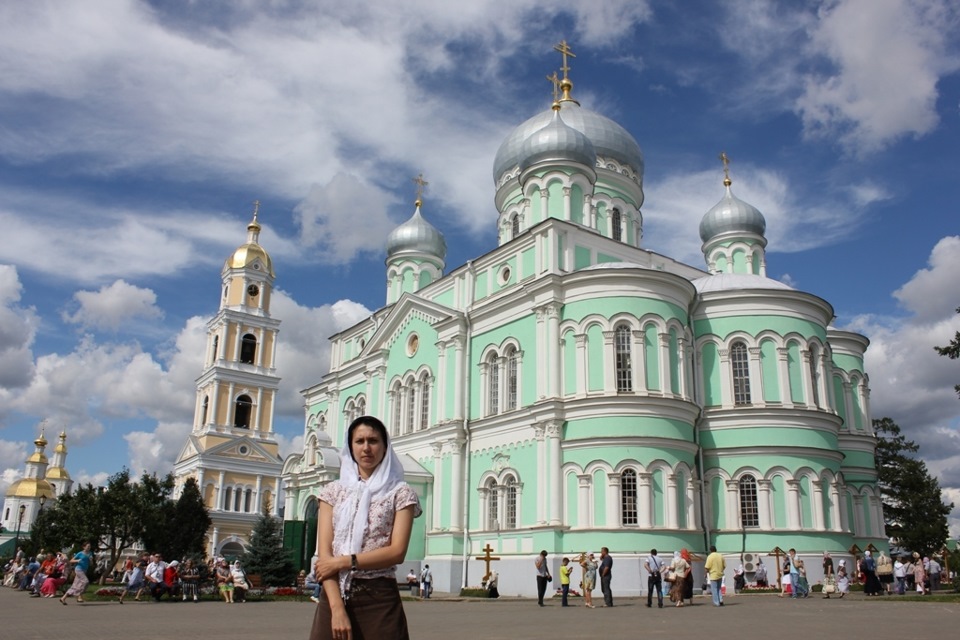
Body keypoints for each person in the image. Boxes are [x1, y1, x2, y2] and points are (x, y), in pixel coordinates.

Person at [309, 416, 422, 640]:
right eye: (359, 441)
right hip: (333, 599)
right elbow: (324, 557)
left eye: (373, 441)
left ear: (385, 446)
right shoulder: (332, 492)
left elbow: (397, 552)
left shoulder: (401, 493)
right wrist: (337, 609)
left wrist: (344, 561)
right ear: (350, 447)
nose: (366, 448)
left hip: (379, 599)